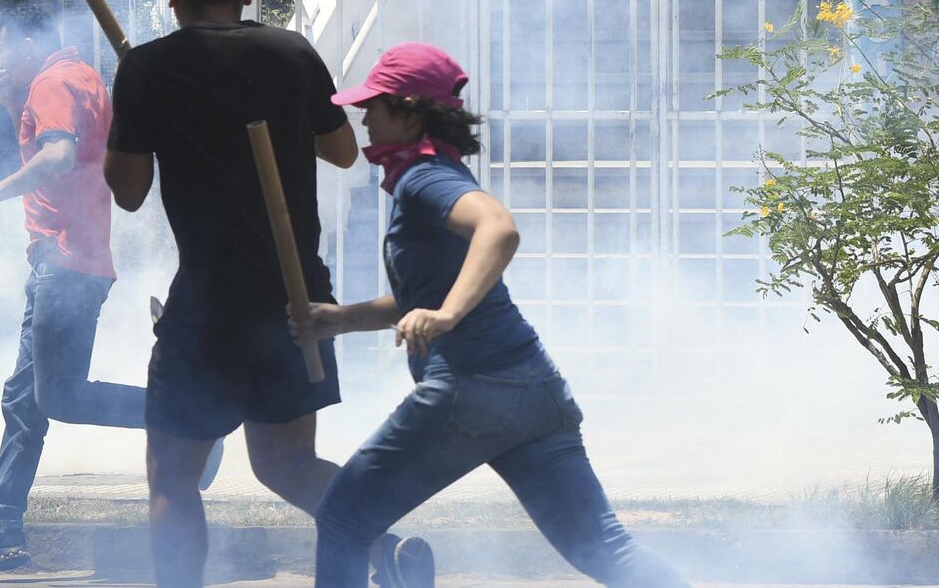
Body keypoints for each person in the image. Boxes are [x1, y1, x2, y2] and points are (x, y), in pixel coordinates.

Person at [296, 43, 693, 588]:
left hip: (470, 388)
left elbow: (499, 229)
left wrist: (447, 317)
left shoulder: (424, 178)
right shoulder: (434, 173)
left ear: (409, 112)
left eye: (375, 105)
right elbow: (425, 297)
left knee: (344, 519)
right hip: (533, 389)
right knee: (603, 547)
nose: (363, 117)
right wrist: (340, 319)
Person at [102, 0, 428, 588]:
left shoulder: (147, 68)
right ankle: (384, 543)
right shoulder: (290, 51)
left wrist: (145, 119)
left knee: (173, 475)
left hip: (207, 306)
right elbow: (342, 150)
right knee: (286, 464)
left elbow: (128, 192)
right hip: (294, 294)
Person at [0, 4, 220, 579]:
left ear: (34, 44)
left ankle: (191, 416)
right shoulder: (79, 77)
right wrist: (13, 106)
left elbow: (59, 157)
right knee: (25, 402)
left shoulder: (52, 82)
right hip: (71, 262)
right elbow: (72, 149)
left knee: (57, 398)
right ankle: (0, 534)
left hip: (65, 264)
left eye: (5, 47)